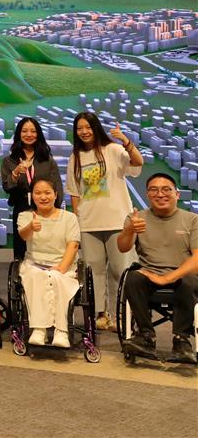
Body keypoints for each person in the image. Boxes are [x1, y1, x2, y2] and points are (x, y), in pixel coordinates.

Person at [66, 111, 143, 331]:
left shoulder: (113, 150)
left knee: (121, 269)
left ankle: (124, 313)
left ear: (95, 127)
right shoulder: (75, 157)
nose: (84, 132)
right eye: (79, 128)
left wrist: (125, 140)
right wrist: (78, 219)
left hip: (119, 222)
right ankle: (101, 313)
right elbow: (74, 193)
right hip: (89, 224)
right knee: (93, 270)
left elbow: (138, 162)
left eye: (88, 127)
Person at [116, 173, 198, 363]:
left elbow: (196, 258)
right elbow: (123, 247)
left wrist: (168, 278)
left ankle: (182, 340)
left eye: (166, 189)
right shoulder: (136, 218)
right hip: (149, 275)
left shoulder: (192, 219)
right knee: (133, 277)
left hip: (181, 275)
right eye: (154, 190)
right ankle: (145, 336)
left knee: (190, 279)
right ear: (147, 195)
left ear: (177, 194)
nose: (160, 194)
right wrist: (130, 230)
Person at [17, 178, 81, 348]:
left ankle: (61, 331)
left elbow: (73, 245)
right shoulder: (25, 216)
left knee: (57, 278)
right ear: (32, 196)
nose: (43, 197)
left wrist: (61, 268)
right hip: (34, 264)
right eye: (38, 193)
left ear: (55, 195)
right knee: (37, 277)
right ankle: (39, 329)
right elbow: (23, 236)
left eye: (47, 193)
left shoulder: (69, 218)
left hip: (63, 265)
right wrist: (31, 226)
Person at [2, 117, 63, 261]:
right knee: (21, 249)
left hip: (45, 208)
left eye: (33, 131)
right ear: (18, 134)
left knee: (45, 246)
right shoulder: (9, 161)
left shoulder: (47, 160)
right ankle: (21, 280)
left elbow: (57, 186)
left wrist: (56, 210)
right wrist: (16, 173)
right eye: (24, 131)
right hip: (21, 207)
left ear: (38, 134)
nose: (29, 134)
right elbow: (7, 187)